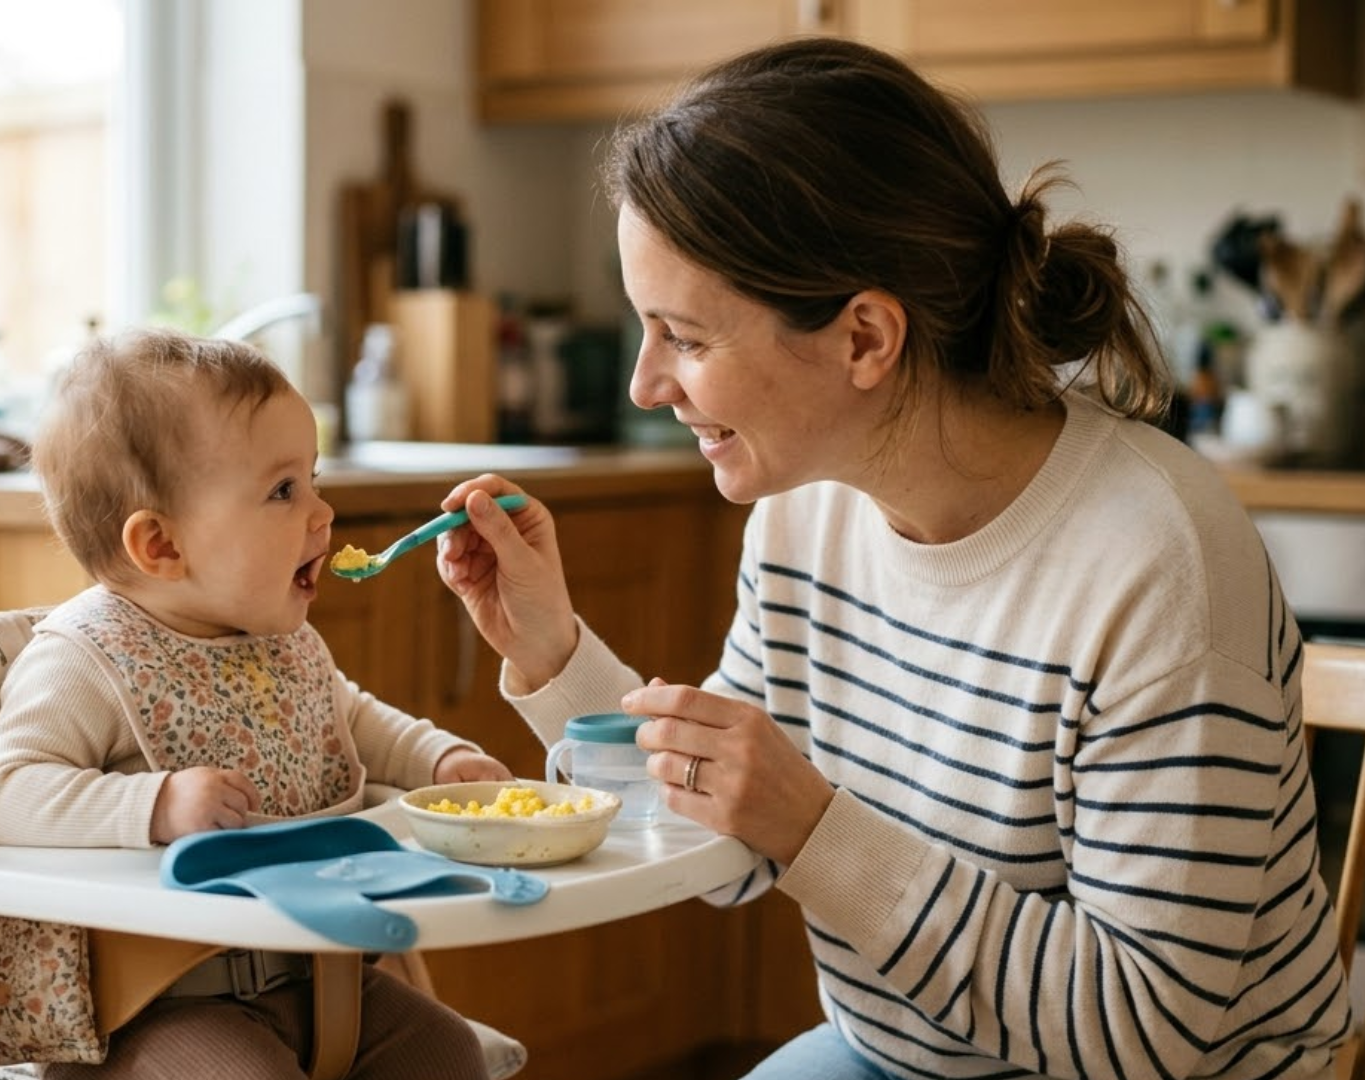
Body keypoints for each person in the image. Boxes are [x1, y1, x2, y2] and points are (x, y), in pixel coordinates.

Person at [434, 37, 1351, 1080]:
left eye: (683, 335)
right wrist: (557, 657)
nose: (647, 383)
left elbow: (1147, 1034)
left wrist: (815, 825)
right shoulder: (803, 513)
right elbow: (732, 847)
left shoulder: (1155, 564)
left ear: (865, 339)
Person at [0, 327, 511, 1080]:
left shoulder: (274, 641)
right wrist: (153, 805)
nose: (323, 514)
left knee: (444, 1052)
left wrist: (436, 758)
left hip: (314, 981)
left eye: (313, 481)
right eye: (283, 491)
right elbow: (3, 792)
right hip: (150, 1012)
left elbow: (346, 718)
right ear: (160, 546)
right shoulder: (84, 658)